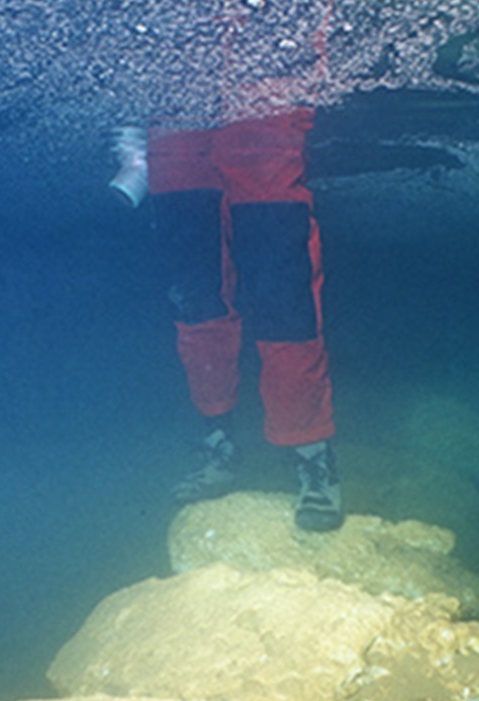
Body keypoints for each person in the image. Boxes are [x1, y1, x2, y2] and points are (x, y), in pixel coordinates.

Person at [108, 2, 342, 532]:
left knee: (281, 288)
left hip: (265, 107)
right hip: (177, 120)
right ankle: (217, 440)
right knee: (196, 292)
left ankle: (310, 450)